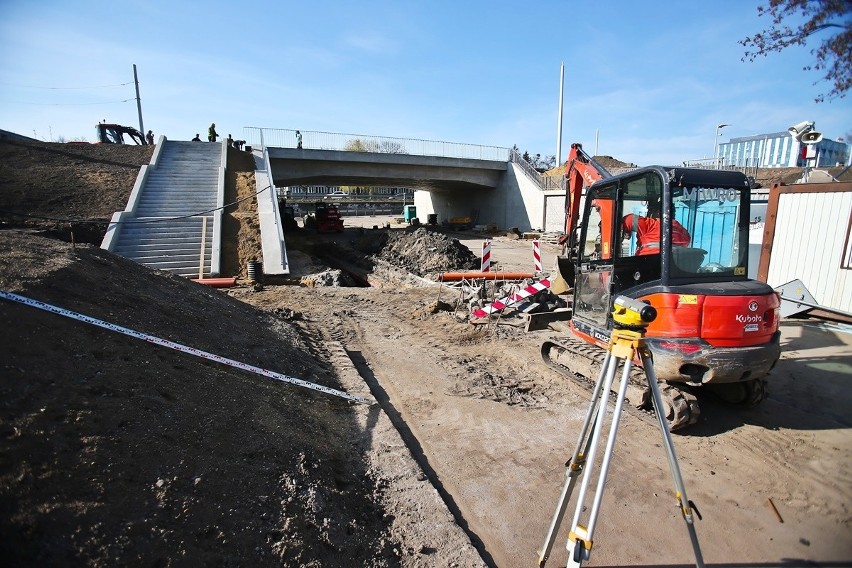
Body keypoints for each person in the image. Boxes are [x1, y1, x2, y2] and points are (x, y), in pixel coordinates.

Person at [622, 198, 690, 255]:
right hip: (672, 267)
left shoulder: (652, 225)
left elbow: (628, 219)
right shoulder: (683, 233)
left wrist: (626, 231)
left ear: (656, 213)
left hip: (646, 264)